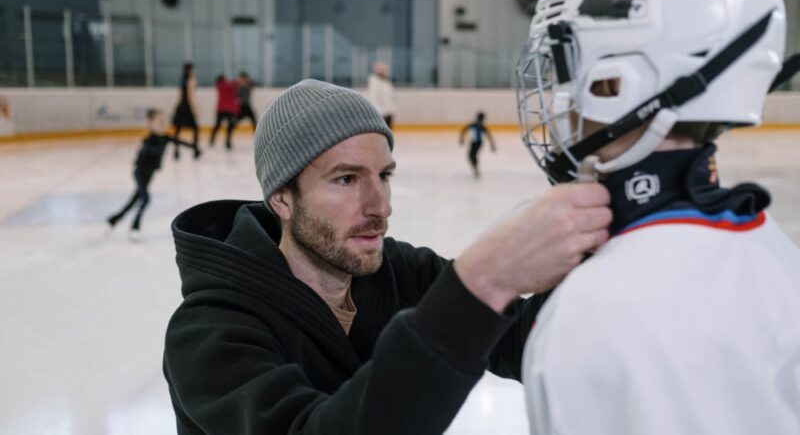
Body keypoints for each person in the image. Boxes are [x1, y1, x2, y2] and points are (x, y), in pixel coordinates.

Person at [163, 79, 612, 434]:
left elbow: (522, 340)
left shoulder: (398, 272)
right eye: (346, 179)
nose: (381, 205)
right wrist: (483, 280)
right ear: (281, 199)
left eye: (384, 175)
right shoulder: (210, 332)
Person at [516, 0, 800, 434]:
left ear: (613, 84)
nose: (553, 98)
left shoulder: (599, 308)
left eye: (564, 71)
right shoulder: (776, 251)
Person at [107, 108, 194, 236]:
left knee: (135, 200)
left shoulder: (165, 137)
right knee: (145, 199)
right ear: (151, 124)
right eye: (160, 122)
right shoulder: (149, 140)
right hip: (140, 173)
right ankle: (135, 225)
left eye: (165, 122)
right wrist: (149, 152)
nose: (163, 125)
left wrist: (195, 147)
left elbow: (179, 142)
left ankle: (115, 218)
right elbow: (142, 156)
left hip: (150, 174)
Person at [171, 63, 202, 160]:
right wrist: (194, 110)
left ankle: (176, 151)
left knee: (178, 129)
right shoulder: (191, 80)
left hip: (181, 106)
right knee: (195, 129)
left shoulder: (182, 80)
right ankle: (195, 150)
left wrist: (176, 107)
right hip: (187, 107)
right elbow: (190, 97)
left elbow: (180, 96)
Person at [459, 111, 496, 178]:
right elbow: (489, 135)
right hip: (478, 143)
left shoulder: (475, 124)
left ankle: (475, 168)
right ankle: (475, 167)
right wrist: (492, 145)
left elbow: (464, 129)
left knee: (472, 155)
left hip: (475, 143)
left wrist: (461, 139)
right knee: (473, 155)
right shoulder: (480, 125)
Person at [209, 74, 240, 150]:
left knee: (217, 125)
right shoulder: (227, 86)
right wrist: (237, 81)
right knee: (230, 126)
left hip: (221, 109)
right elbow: (234, 85)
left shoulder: (219, 86)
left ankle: (212, 139)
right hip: (230, 109)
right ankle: (227, 142)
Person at [366, 61, 395, 129]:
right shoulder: (374, 82)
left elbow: (391, 97)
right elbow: (374, 98)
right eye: (381, 69)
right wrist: (379, 111)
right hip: (381, 113)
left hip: (389, 112)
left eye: (383, 69)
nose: (383, 71)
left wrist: (392, 109)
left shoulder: (386, 82)